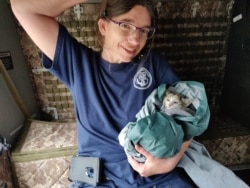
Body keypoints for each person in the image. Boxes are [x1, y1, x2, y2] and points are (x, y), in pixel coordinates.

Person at [10, 0, 198, 187]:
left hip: (155, 175)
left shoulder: (153, 64)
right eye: (126, 25)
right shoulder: (78, 63)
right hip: (98, 178)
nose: (135, 39)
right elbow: (22, 7)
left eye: (144, 30)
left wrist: (169, 162)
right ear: (103, 26)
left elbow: (189, 114)